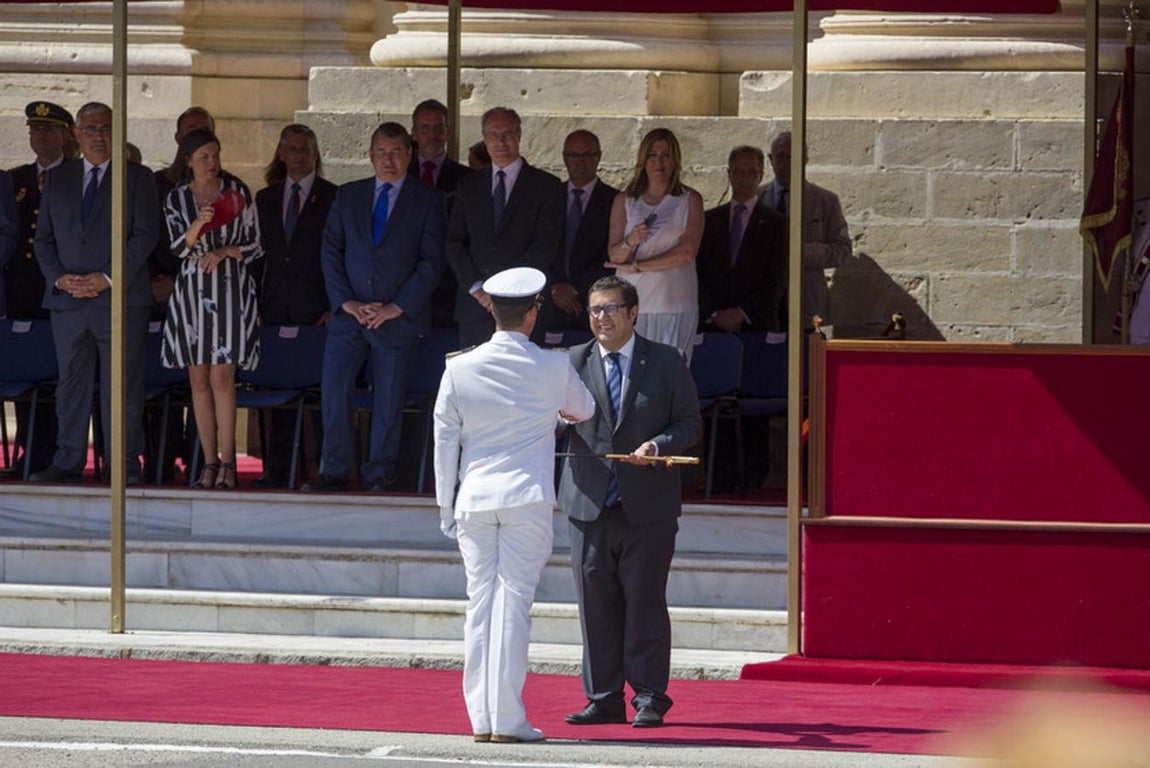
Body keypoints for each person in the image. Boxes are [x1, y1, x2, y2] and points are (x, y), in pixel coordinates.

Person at [433, 266, 595, 744]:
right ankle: (506, 718)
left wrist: (446, 506)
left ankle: (482, 718)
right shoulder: (553, 364)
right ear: (532, 312)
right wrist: (550, 416)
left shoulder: (458, 366)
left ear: (493, 312)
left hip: (474, 498)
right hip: (525, 497)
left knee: (480, 604)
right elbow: (583, 411)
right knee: (513, 605)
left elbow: (444, 443)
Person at [558, 274, 702, 729]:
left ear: (633, 312)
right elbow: (545, 420)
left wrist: (657, 446)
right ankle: (602, 697)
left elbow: (689, 423)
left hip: (648, 506)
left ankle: (649, 696)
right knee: (595, 604)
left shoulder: (665, 360)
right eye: (595, 310)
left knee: (644, 603)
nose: (601, 318)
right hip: (589, 503)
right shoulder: (570, 362)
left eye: (610, 309)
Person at [303, 121, 445, 493]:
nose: (388, 160)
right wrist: (345, 302)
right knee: (333, 392)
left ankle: (379, 471)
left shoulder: (427, 200)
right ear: (369, 155)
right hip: (349, 318)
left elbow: (431, 262)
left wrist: (396, 307)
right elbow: (330, 250)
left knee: (388, 398)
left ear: (410, 155)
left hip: (396, 320)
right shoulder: (349, 195)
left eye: (396, 152)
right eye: (381, 152)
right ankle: (333, 469)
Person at [31, 101, 160, 485]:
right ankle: (69, 458)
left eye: (106, 128)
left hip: (119, 299)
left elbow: (144, 236)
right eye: (91, 128)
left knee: (123, 385)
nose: (99, 135)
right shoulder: (59, 179)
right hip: (69, 301)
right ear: (76, 134)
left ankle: (123, 463)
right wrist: (60, 278)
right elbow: (43, 241)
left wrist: (108, 277)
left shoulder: (137, 177)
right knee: (71, 384)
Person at [161, 128, 262, 490]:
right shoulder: (177, 199)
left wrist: (226, 251)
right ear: (188, 160)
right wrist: (199, 223)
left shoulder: (237, 193)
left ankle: (230, 462)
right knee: (198, 378)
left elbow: (254, 245)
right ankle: (207, 461)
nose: (212, 162)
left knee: (223, 376)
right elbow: (178, 247)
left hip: (231, 289)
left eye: (215, 155)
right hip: (192, 292)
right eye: (204, 156)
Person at [253, 123, 336, 489]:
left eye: (305, 149)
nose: (299, 155)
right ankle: (277, 467)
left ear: (315, 154)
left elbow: (340, 255)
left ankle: (318, 467)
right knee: (276, 392)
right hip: (273, 309)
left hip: (316, 310)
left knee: (318, 394)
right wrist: (252, 304)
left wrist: (336, 305)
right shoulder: (265, 199)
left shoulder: (334, 196)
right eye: (292, 148)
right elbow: (256, 258)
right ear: (281, 154)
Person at [446, 106, 564, 347]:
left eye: (507, 134)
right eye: (493, 134)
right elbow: (455, 242)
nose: (501, 141)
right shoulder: (468, 186)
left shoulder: (546, 186)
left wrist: (506, 292)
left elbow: (545, 245)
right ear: (484, 138)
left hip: (523, 306)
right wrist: (479, 290)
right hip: (476, 307)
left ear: (519, 135)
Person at [2, 100, 73, 479]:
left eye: (48, 129)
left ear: (65, 135)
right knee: (24, 375)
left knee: (57, 380)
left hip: (60, 294)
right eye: (34, 129)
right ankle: (29, 453)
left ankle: (55, 455)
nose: (40, 136)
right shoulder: (15, 180)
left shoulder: (75, 177)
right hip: (21, 295)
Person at [606, 128, 704, 361]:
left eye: (666, 155)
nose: (659, 162)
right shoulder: (625, 200)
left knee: (669, 376)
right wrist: (630, 241)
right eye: (652, 155)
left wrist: (640, 265)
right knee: (631, 373)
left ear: (675, 160)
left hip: (673, 302)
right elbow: (614, 255)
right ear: (643, 160)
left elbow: (686, 252)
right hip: (632, 305)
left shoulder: (689, 200)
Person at [758, 130, 852, 329]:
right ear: (770, 159)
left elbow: (843, 250)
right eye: (781, 156)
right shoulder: (756, 199)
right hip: (761, 306)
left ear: (805, 159)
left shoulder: (825, 201)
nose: (787, 162)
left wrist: (800, 252)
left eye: (793, 156)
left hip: (806, 306)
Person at [697, 145, 787, 334]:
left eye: (751, 172)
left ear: (760, 176)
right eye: (738, 171)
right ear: (729, 174)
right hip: (713, 327)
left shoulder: (777, 224)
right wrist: (714, 313)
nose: (744, 178)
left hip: (757, 326)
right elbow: (697, 273)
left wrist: (742, 313)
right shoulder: (708, 220)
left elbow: (778, 279)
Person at [541, 129, 616, 336]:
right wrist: (555, 287)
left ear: (598, 156)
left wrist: (574, 288)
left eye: (587, 155)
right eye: (574, 155)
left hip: (594, 305)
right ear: (564, 157)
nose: (580, 161)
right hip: (549, 304)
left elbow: (613, 254)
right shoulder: (547, 197)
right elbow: (537, 246)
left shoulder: (615, 201)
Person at [409, 98, 471, 330]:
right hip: (406, 287)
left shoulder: (468, 180)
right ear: (414, 133)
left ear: (447, 132)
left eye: (438, 128)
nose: (432, 135)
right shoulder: (399, 176)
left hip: (451, 287)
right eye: (425, 129)